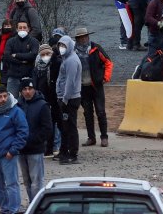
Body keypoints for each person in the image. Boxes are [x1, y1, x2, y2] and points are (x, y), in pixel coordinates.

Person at [0, 86, 30, 214]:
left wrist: (13, 150)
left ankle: (14, 209)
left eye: (5, 96)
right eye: (0, 97)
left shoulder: (16, 111)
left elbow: (23, 132)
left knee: (11, 184)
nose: (3, 99)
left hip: (8, 156)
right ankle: (4, 209)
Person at [73, 26, 111, 147]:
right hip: (83, 87)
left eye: (85, 36)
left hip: (96, 86)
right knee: (87, 113)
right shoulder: (73, 51)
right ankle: (91, 137)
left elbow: (108, 62)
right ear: (77, 39)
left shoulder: (96, 48)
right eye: (81, 37)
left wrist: (105, 77)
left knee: (101, 111)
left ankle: (104, 137)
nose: (83, 39)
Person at [17, 77, 52, 201]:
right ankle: (33, 204)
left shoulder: (42, 105)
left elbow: (47, 129)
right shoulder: (18, 105)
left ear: (34, 89)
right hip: (21, 150)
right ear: (21, 91)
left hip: (35, 150)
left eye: (30, 89)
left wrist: (34, 140)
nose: (27, 92)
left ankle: (36, 206)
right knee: (26, 181)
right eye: (25, 89)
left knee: (36, 182)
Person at [55, 34, 81, 164]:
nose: (61, 48)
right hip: (65, 98)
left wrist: (64, 98)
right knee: (64, 126)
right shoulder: (67, 58)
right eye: (60, 45)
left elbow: (70, 82)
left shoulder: (71, 61)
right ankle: (64, 151)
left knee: (70, 126)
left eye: (64, 45)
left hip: (70, 99)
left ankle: (73, 153)